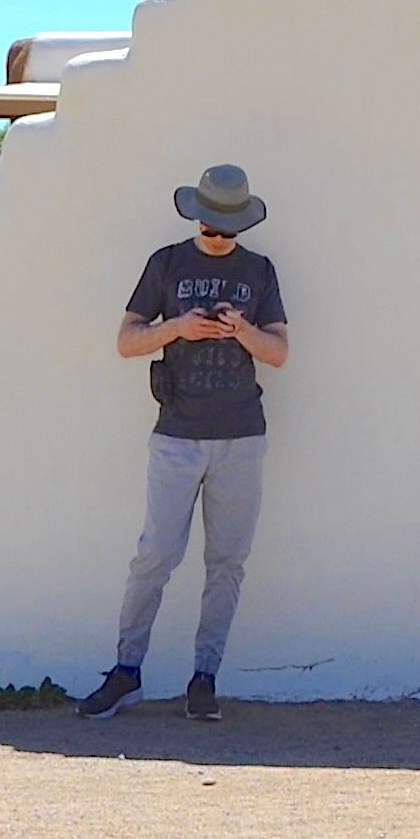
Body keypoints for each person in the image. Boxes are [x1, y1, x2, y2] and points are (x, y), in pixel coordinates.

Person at [81, 164, 290, 721]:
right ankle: (126, 671)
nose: (217, 237)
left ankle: (205, 677)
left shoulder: (260, 270)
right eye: (209, 226)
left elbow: (280, 352)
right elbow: (126, 341)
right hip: (176, 435)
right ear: (195, 216)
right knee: (155, 555)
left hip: (241, 436)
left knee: (227, 562)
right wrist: (178, 328)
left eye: (227, 229)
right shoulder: (167, 263)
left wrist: (241, 330)